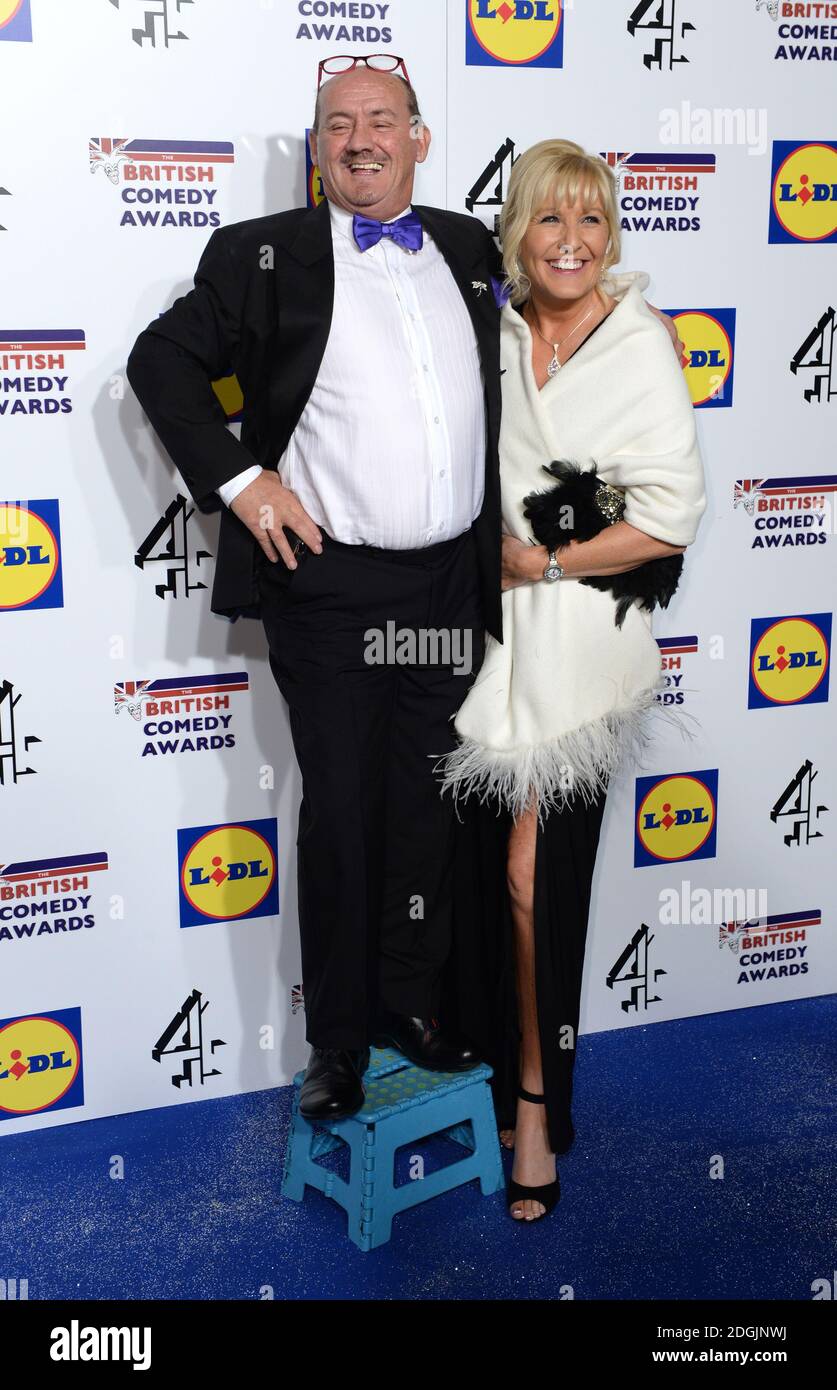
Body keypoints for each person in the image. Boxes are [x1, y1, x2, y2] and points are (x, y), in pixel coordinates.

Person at [126, 56, 505, 1122]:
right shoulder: (263, 255)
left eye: (382, 119)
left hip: (445, 584)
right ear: (316, 145)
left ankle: (411, 1004)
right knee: (343, 810)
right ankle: (336, 1042)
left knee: (428, 804)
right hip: (333, 589)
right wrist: (244, 484)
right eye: (339, 123)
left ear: (420, 138)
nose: (361, 139)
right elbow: (162, 361)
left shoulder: (470, 246)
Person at [440, 140, 707, 1222]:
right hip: (488, 641)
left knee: (533, 879)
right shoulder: (495, 328)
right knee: (480, 876)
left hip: (586, 640)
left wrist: (544, 556)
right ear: (520, 233)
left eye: (592, 222)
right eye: (552, 221)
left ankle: (541, 1102)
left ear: (611, 237)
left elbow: (669, 516)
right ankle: (509, 1074)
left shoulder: (639, 343)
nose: (572, 243)